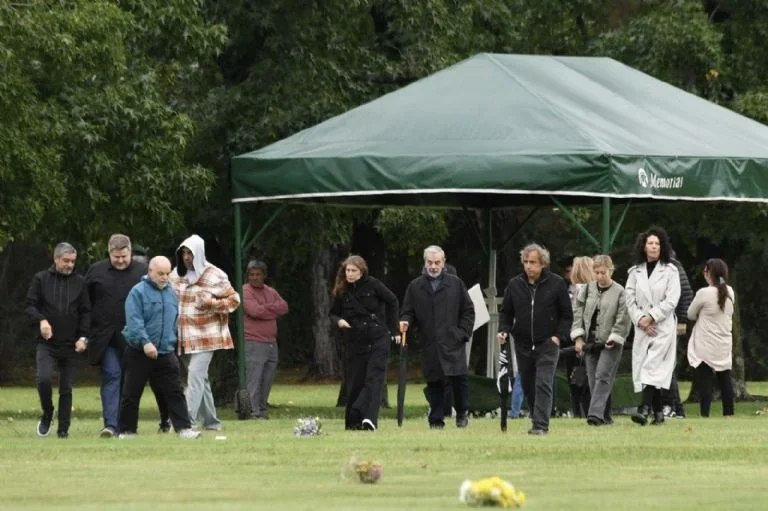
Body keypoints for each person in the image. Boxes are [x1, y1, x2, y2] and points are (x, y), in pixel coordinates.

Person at [119, 256, 200, 439]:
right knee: (132, 393)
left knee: (175, 391)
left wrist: (172, 341)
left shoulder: (171, 293)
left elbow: (174, 321)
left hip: (165, 351)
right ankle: (127, 431)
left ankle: (184, 429)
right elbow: (134, 321)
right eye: (160, 273)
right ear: (150, 272)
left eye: (167, 273)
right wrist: (145, 342)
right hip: (139, 351)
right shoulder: (137, 292)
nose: (164, 277)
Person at [497, 243, 572, 435]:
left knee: (543, 382)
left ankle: (541, 425)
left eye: (533, 262)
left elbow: (566, 314)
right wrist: (503, 330)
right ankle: (535, 417)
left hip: (548, 343)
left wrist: (558, 337)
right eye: (526, 262)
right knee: (529, 385)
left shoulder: (556, 283)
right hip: (522, 344)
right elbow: (506, 312)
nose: (529, 266)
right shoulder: (514, 284)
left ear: (542, 264)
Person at [171, 234, 240, 431]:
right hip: (184, 336)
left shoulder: (215, 275)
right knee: (201, 379)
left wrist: (212, 303)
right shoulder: (176, 275)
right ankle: (212, 422)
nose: (186, 257)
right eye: (183, 253)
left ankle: (185, 422)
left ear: (199, 253)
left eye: (190, 253)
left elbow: (234, 300)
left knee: (194, 376)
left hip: (207, 335)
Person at [400, 246, 474, 429]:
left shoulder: (455, 283)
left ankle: (462, 414)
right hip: (429, 341)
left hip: (452, 341)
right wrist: (406, 323)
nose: (433, 266)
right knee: (434, 382)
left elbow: (468, 311)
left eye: (437, 263)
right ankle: (436, 419)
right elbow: (408, 312)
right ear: (425, 262)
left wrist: (462, 333)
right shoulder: (415, 286)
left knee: (458, 380)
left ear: (444, 262)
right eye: (429, 262)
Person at [85, 234, 148, 437]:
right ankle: (110, 425)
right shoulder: (96, 271)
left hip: (134, 337)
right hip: (105, 337)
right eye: (116, 257)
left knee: (128, 381)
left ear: (130, 252)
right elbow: (85, 304)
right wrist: (86, 333)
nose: (120, 260)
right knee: (112, 375)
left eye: (124, 256)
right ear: (109, 253)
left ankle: (124, 423)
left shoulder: (143, 272)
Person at [26, 242, 90, 439]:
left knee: (66, 387)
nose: (69, 265)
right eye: (66, 261)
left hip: (71, 343)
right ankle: (47, 413)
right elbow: (30, 306)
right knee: (43, 379)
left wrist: (83, 337)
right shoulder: (41, 279)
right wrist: (42, 320)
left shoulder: (80, 282)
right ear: (55, 259)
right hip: (47, 343)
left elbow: (86, 312)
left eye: (72, 261)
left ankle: (63, 429)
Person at [330, 255, 398, 431]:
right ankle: (353, 420)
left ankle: (369, 419)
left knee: (374, 377)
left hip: (378, 336)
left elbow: (393, 301)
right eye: (348, 271)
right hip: (355, 339)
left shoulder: (374, 284)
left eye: (354, 271)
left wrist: (394, 329)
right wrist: (339, 322)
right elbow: (333, 313)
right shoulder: (342, 290)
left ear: (362, 271)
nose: (350, 274)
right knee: (355, 381)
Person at [626, 227, 681, 426]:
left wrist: (652, 317)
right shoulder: (634, 272)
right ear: (643, 246)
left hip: (662, 327)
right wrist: (641, 320)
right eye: (650, 243)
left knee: (652, 366)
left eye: (657, 243)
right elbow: (629, 299)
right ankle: (658, 413)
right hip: (643, 328)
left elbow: (672, 299)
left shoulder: (671, 271)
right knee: (648, 367)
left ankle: (644, 409)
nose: (654, 246)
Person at [571, 255, 630, 426]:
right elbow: (578, 314)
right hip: (590, 342)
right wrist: (579, 337)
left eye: (603, 272)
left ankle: (594, 415)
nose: (600, 276)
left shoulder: (620, 292)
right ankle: (605, 417)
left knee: (603, 376)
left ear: (611, 271)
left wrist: (615, 337)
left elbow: (623, 318)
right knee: (593, 380)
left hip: (610, 342)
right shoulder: (587, 290)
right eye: (596, 273)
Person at [687, 258, 735, 417]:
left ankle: (705, 414)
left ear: (710, 274)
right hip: (724, 342)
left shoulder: (704, 293)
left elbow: (690, 314)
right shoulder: (730, 291)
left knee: (705, 380)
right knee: (725, 378)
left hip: (706, 342)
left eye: (705, 271)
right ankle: (729, 414)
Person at [242, 260, 289, 419]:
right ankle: (252, 412)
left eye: (258, 274)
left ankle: (262, 410)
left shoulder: (270, 291)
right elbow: (254, 311)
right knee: (254, 379)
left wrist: (266, 309)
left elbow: (284, 307)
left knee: (267, 378)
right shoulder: (245, 291)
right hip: (253, 341)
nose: (254, 278)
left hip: (271, 342)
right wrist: (271, 309)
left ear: (264, 275)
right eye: (251, 275)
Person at [564, 256, 594, 418]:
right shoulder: (595, 291)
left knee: (576, 381)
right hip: (588, 340)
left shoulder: (575, 292)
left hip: (576, 341)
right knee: (587, 380)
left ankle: (579, 412)